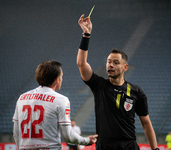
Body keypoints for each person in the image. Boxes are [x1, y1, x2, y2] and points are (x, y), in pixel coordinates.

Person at [77, 14, 159, 150]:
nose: (111, 65)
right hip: (105, 146)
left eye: (116, 62)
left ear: (125, 67)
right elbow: (81, 63)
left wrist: (155, 148)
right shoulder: (99, 85)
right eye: (109, 62)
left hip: (129, 146)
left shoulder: (137, 92)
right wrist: (86, 34)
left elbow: (146, 123)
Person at [12, 60, 98, 150]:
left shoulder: (22, 98)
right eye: (61, 76)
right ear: (57, 79)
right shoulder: (61, 100)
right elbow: (68, 136)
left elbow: (16, 133)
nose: (62, 79)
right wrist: (86, 140)